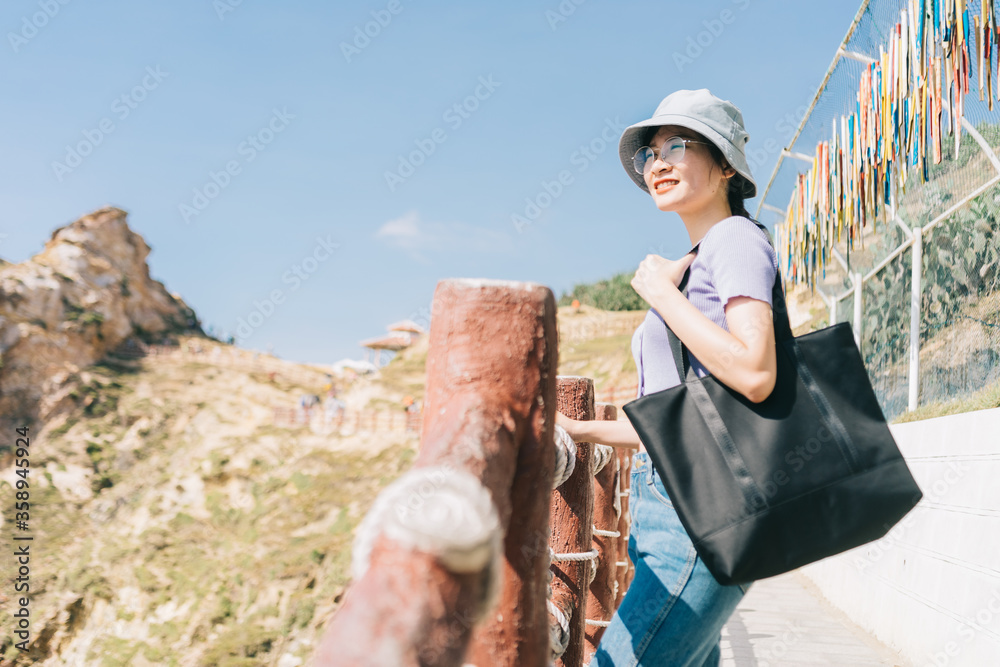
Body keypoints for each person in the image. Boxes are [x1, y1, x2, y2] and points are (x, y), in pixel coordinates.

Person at [557, 89, 779, 667]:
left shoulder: (733, 238)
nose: (657, 162)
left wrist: (659, 294)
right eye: (648, 154)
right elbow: (677, 415)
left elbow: (755, 372)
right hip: (671, 500)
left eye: (677, 145)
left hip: (704, 508)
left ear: (725, 163)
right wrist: (580, 434)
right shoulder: (698, 261)